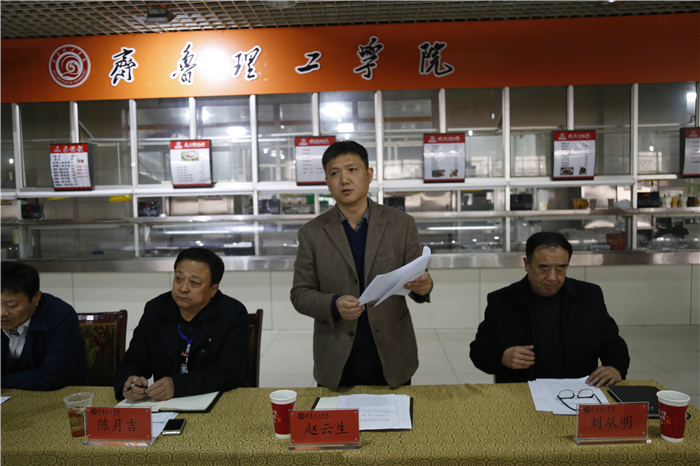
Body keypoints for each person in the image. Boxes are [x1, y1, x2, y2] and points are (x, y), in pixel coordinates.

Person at [291, 140, 433, 390]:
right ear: (327, 182)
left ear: (369, 175)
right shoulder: (312, 233)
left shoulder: (400, 224)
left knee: (395, 414)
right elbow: (300, 294)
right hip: (336, 353)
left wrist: (424, 286)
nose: (344, 180)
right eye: (335, 173)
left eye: (352, 170)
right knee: (337, 415)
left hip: (392, 351)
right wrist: (333, 304)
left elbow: (417, 277)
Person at [470, 232, 630, 387]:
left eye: (560, 269)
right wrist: (502, 357)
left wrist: (615, 367)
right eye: (544, 269)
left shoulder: (589, 296)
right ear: (527, 264)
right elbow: (479, 351)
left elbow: (612, 343)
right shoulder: (502, 301)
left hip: (579, 391)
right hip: (521, 391)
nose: (552, 277)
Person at [114, 248, 249, 401]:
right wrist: (129, 383)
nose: (183, 288)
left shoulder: (232, 314)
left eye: (194, 282)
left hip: (219, 401)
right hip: (165, 405)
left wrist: (177, 386)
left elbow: (229, 373)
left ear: (213, 290)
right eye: (179, 279)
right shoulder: (156, 310)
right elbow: (133, 361)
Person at [1, 261, 93, 390]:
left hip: (63, 394)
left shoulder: (60, 315)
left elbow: (51, 377)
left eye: (12, 304)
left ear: (36, 298)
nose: (2, 313)